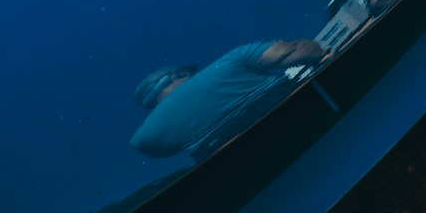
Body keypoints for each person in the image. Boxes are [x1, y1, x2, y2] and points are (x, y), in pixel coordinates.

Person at [131, 37, 325, 161]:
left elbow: (150, 151)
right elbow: (301, 51)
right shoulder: (232, 60)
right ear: (176, 75)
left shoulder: (147, 135)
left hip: (256, 175)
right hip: (316, 119)